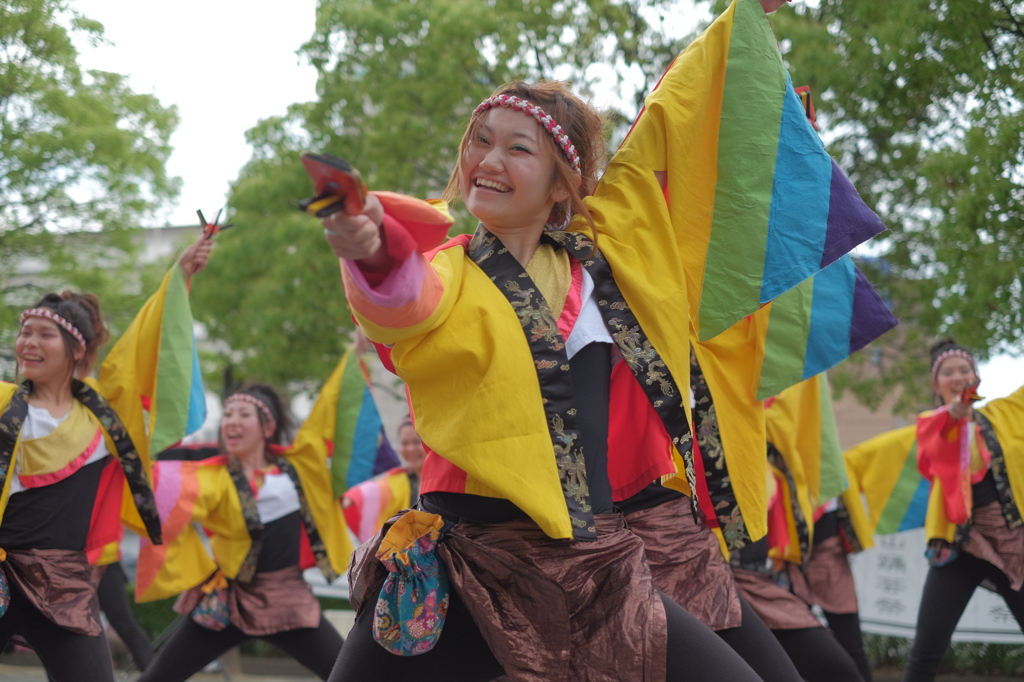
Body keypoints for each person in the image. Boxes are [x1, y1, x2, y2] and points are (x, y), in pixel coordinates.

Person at [0, 238, 211, 682]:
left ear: (76, 349)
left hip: (65, 584)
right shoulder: (2, 402)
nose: (28, 343)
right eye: (25, 332)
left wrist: (180, 273)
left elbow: (144, 342)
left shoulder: (103, 412)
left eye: (45, 334)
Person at [134, 383, 349, 681]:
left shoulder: (296, 467)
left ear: (268, 427)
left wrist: (357, 353)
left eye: (244, 414)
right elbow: (166, 490)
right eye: (228, 414)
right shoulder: (214, 477)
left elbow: (328, 412)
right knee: (158, 678)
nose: (232, 421)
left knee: (348, 674)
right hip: (228, 601)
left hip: (287, 598)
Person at [901, 340, 1024, 682]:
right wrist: (955, 414)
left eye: (965, 369)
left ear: (977, 377)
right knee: (926, 653)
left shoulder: (1003, 414)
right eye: (947, 371)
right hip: (959, 546)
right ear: (935, 384)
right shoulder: (931, 423)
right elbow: (934, 448)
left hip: (1012, 543)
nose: (958, 376)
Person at [343, 417, 426, 543]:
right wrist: (355, 498)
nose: (410, 449)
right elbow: (372, 492)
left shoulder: (445, 478)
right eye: (405, 443)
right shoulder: (399, 480)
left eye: (416, 442)